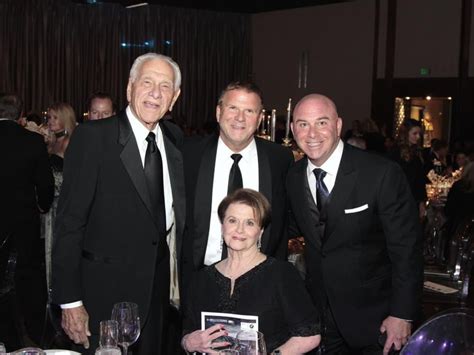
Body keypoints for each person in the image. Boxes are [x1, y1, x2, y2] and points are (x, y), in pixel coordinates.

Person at [51, 53, 185, 355]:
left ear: (174, 98)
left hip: (156, 295)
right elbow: (69, 223)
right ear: (129, 88)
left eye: (165, 87)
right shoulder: (93, 138)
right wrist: (70, 302)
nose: (155, 93)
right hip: (102, 298)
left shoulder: (175, 139)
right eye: (147, 82)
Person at [287, 94, 423, 354]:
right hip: (320, 318)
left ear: (338, 125)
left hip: (376, 321)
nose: (312, 133)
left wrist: (402, 314)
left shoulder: (380, 173)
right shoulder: (293, 176)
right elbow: (293, 228)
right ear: (293, 129)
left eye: (322, 122)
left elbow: (406, 249)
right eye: (303, 124)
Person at [182, 81, 294, 299]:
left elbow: (288, 219)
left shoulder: (280, 159)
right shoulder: (188, 154)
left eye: (249, 111)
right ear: (218, 112)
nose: (240, 118)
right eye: (233, 108)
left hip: (263, 284)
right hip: (198, 281)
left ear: (260, 118)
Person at [182, 188, 321, 354]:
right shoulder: (201, 279)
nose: (239, 230)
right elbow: (186, 332)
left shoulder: (281, 274)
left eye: (249, 223)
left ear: (260, 231)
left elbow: (309, 335)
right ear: (222, 226)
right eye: (232, 220)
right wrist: (189, 342)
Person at [0, 93, 54, 348]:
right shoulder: (32, 142)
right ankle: (28, 338)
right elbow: (45, 186)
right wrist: (43, 206)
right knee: (26, 286)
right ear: (20, 115)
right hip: (23, 226)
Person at [42, 102, 77, 290]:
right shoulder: (53, 141)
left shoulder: (70, 142)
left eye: (55, 118)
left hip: (62, 207)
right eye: (49, 117)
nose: (50, 121)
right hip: (50, 206)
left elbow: (72, 177)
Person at [394, 118, 428, 220]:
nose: (418, 137)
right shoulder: (396, 153)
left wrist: (421, 203)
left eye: (419, 134)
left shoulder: (416, 152)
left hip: (412, 201)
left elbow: (419, 181)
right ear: (405, 134)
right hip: (399, 202)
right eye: (415, 133)